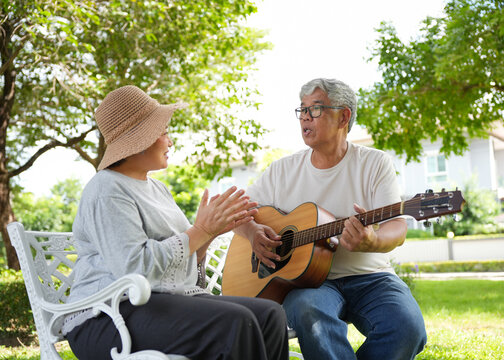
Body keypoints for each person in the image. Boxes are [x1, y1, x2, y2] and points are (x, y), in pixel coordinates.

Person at [62, 85, 290, 360]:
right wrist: (201, 230)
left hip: (158, 303)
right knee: (240, 321)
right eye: (164, 132)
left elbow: (184, 269)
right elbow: (135, 270)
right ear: (140, 139)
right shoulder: (106, 190)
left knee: (270, 315)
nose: (170, 142)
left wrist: (211, 234)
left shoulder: (158, 190)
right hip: (106, 316)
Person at [234, 78, 427, 359]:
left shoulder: (374, 163)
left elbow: (396, 226)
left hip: (371, 277)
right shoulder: (281, 171)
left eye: (314, 109)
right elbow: (237, 212)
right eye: (301, 110)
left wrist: (372, 241)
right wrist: (252, 233)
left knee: (407, 329)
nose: (304, 118)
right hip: (308, 284)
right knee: (312, 316)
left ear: (343, 116)